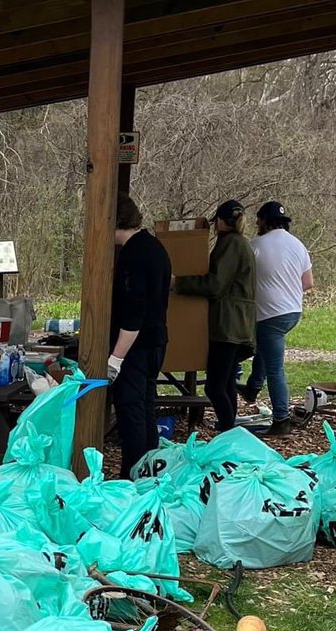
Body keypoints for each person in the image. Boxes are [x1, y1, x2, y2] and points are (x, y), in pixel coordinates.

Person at [173, 199, 256, 433]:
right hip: (239, 324)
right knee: (227, 382)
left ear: (220, 221)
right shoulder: (241, 243)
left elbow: (215, 284)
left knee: (214, 386)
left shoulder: (230, 244)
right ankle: (230, 432)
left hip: (227, 325)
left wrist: (178, 283)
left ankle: (229, 433)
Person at [106, 193, 172, 479]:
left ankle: (131, 478)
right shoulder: (155, 247)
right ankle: (148, 472)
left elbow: (134, 312)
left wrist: (116, 358)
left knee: (131, 413)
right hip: (156, 340)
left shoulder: (132, 255)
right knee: (145, 408)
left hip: (136, 346)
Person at [241, 200, 313, 437]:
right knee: (266, 347)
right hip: (292, 312)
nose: (257, 225)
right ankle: (252, 388)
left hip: (270, 313)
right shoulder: (298, 245)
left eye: (258, 221)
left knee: (275, 368)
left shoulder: (256, 245)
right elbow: (308, 283)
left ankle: (281, 420)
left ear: (263, 221)